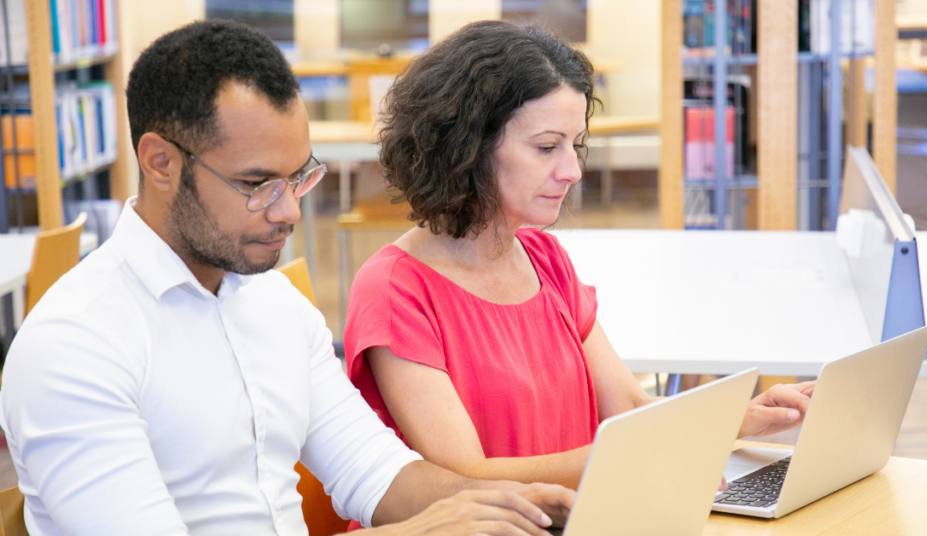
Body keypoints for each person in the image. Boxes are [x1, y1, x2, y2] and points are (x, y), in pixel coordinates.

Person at [0, 20, 573, 536]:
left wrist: (521, 505)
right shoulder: (75, 343)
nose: (289, 212)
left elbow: (375, 471)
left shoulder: (275, 303)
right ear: (160, 163)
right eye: (258, 185)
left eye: (299, 178)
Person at [345, 20, 816, 493]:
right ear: (466, 148)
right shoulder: (395, 289)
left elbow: (628, 409)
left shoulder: (543, 257)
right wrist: (643, 453)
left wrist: (737, 418)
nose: (571, 171)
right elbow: (464, 477)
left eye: (576, 145)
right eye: (548, 147)